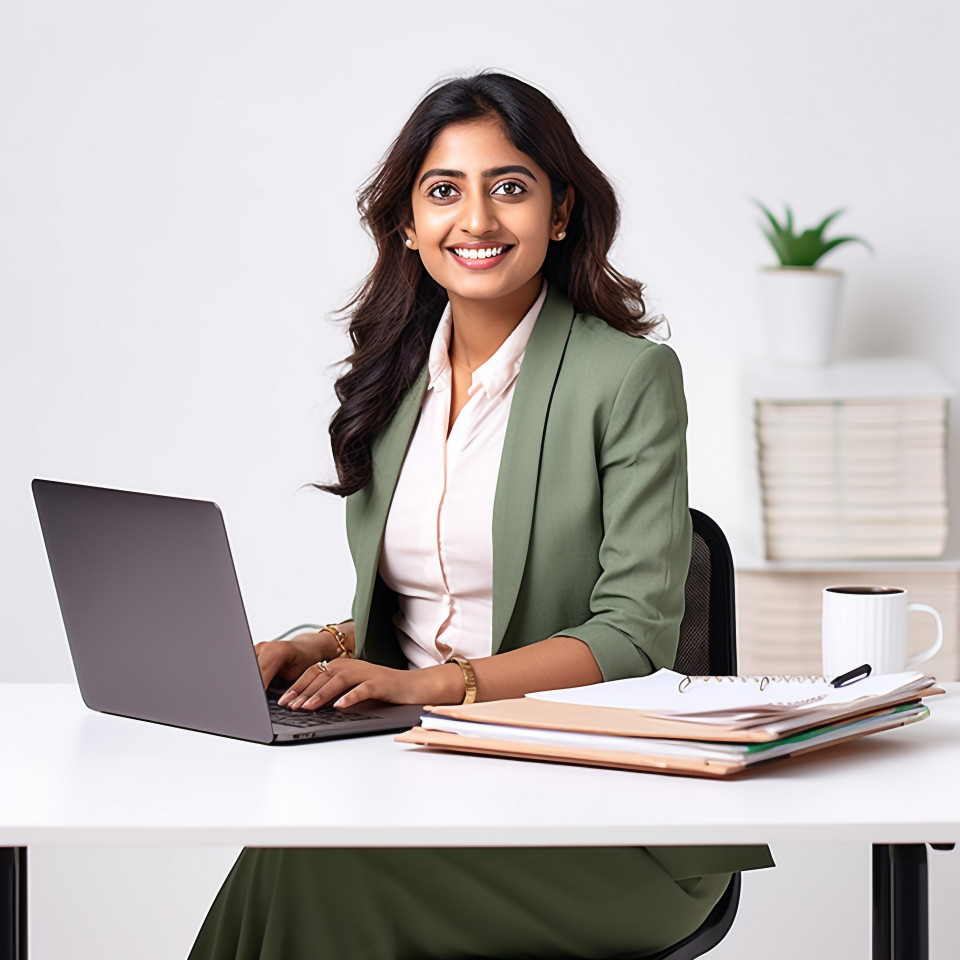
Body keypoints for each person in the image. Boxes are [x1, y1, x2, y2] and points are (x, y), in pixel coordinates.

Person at [188, 71, 773, 960]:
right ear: (408, 225)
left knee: (315, 866)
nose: (478, 220)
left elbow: (634, 636)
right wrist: (318, 646)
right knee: (289, 850)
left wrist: (428, 688)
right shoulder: (389, 388)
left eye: (510, 187)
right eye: (443, 191)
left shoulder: (626, 379)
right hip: (409, 774)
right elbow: (440, 600)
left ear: (561, 211)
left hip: (594, 812)